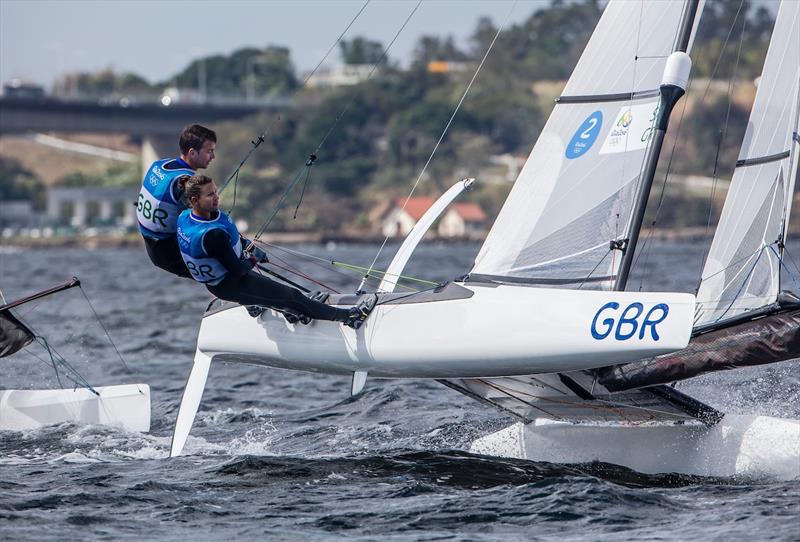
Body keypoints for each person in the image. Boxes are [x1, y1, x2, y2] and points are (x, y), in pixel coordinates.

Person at [176, 174, 377, 329]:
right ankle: (350, 317)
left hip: (226, 281)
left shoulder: (186, 217)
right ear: (194, 200)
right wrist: (253, 258)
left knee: (277, 295)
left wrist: (247, 246)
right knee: (292, 295)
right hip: (231, 283)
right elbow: (238, 269)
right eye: (210, 194)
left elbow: (231, 243)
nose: (216, 197)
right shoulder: (211, 234)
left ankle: (291, 310)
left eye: (216, 192)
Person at [137, 124, 217, 278]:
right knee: (226, 266)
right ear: (192, 153)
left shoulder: (159, 165)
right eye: (209, 152)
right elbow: (203, 220)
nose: (213, 157)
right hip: (168, 250)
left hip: (151, 244)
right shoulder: (186, 182)